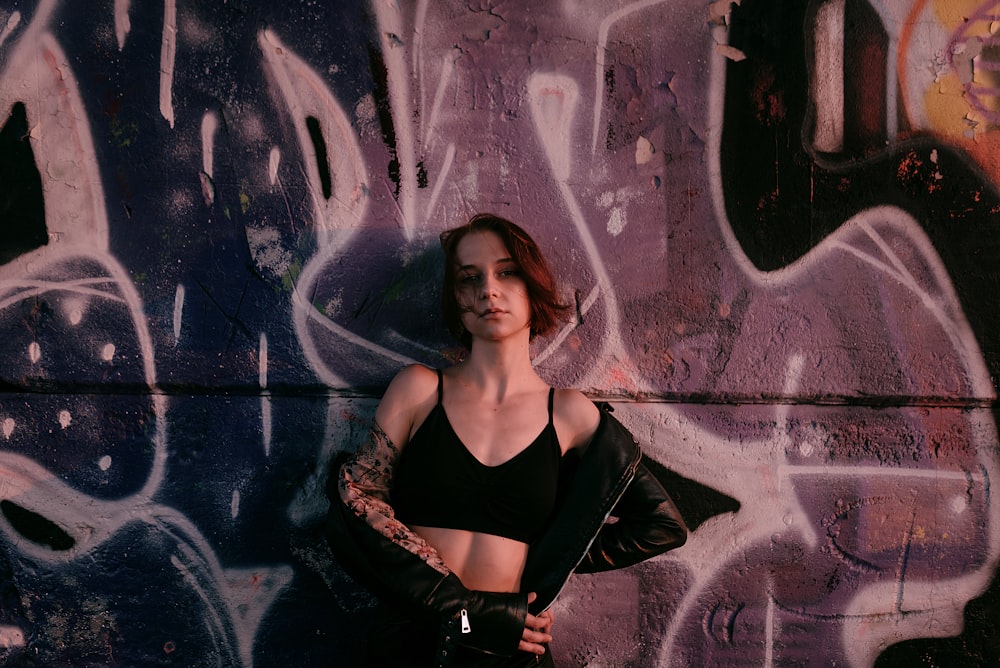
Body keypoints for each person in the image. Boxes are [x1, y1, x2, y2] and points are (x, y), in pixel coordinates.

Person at [326, 213, 687, 666]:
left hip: (510, 645)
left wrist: (550, 558)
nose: (488, 290)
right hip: (418, 631)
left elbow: (663, 525)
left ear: (532, 286)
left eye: (507, 272)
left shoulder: (569, 414)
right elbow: (356, 500)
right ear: (455, 298)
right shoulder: (419, 390)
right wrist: (469, 611)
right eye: (468, 278)